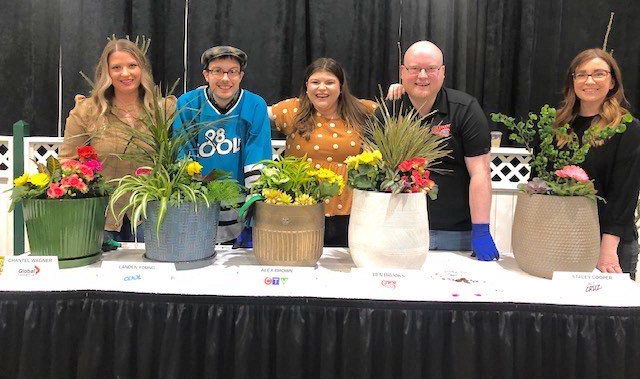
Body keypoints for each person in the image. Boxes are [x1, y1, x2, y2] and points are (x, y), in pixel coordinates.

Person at [383, 40, 499, 260]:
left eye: (431, 69)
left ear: (443, 72)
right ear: (402, 72)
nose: (423, 76)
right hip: (398, 233)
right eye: (415, 69)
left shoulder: (466, 110)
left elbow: (480, 172)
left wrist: (481, 230)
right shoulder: (388, 112)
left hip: (455, 236)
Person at [59, 38, 176, 247]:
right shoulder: (87, 111)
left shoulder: (164, 111)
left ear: (143, 69)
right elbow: (67, 161)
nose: (125, 73)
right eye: (116, 67)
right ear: (106, 72)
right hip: (101, 220)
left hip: (151, 217)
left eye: (132, 65)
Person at [268, 58, 378, 246]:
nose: (322, 88)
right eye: (315, 82)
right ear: (307, 85)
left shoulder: (362, 111)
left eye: (329, 82)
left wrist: (398, 91)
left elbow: (398, 112)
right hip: (300, 205)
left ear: (341, 86)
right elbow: (253, 111)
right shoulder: (293, 110)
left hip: (349, 209)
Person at [555, 48, 640, 279]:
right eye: (581, 74)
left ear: (612, 81)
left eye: (598, 74)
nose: (589, 80)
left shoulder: (627, 129)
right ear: (572, 82)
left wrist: (608, 248)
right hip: (563, 237)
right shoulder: (556, 126)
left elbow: (625, 194)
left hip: (610, 245)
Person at [174, 46, 272, 244]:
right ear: (206, 74)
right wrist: (192, 193)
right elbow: (183, 151)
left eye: (232, 72)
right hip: (200, 202)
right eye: (217, 71)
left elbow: (257, 153)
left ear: (241, 76)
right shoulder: (189, 103)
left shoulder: (254, 104)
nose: (225, 78)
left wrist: (254, 203)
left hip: (240, 202)